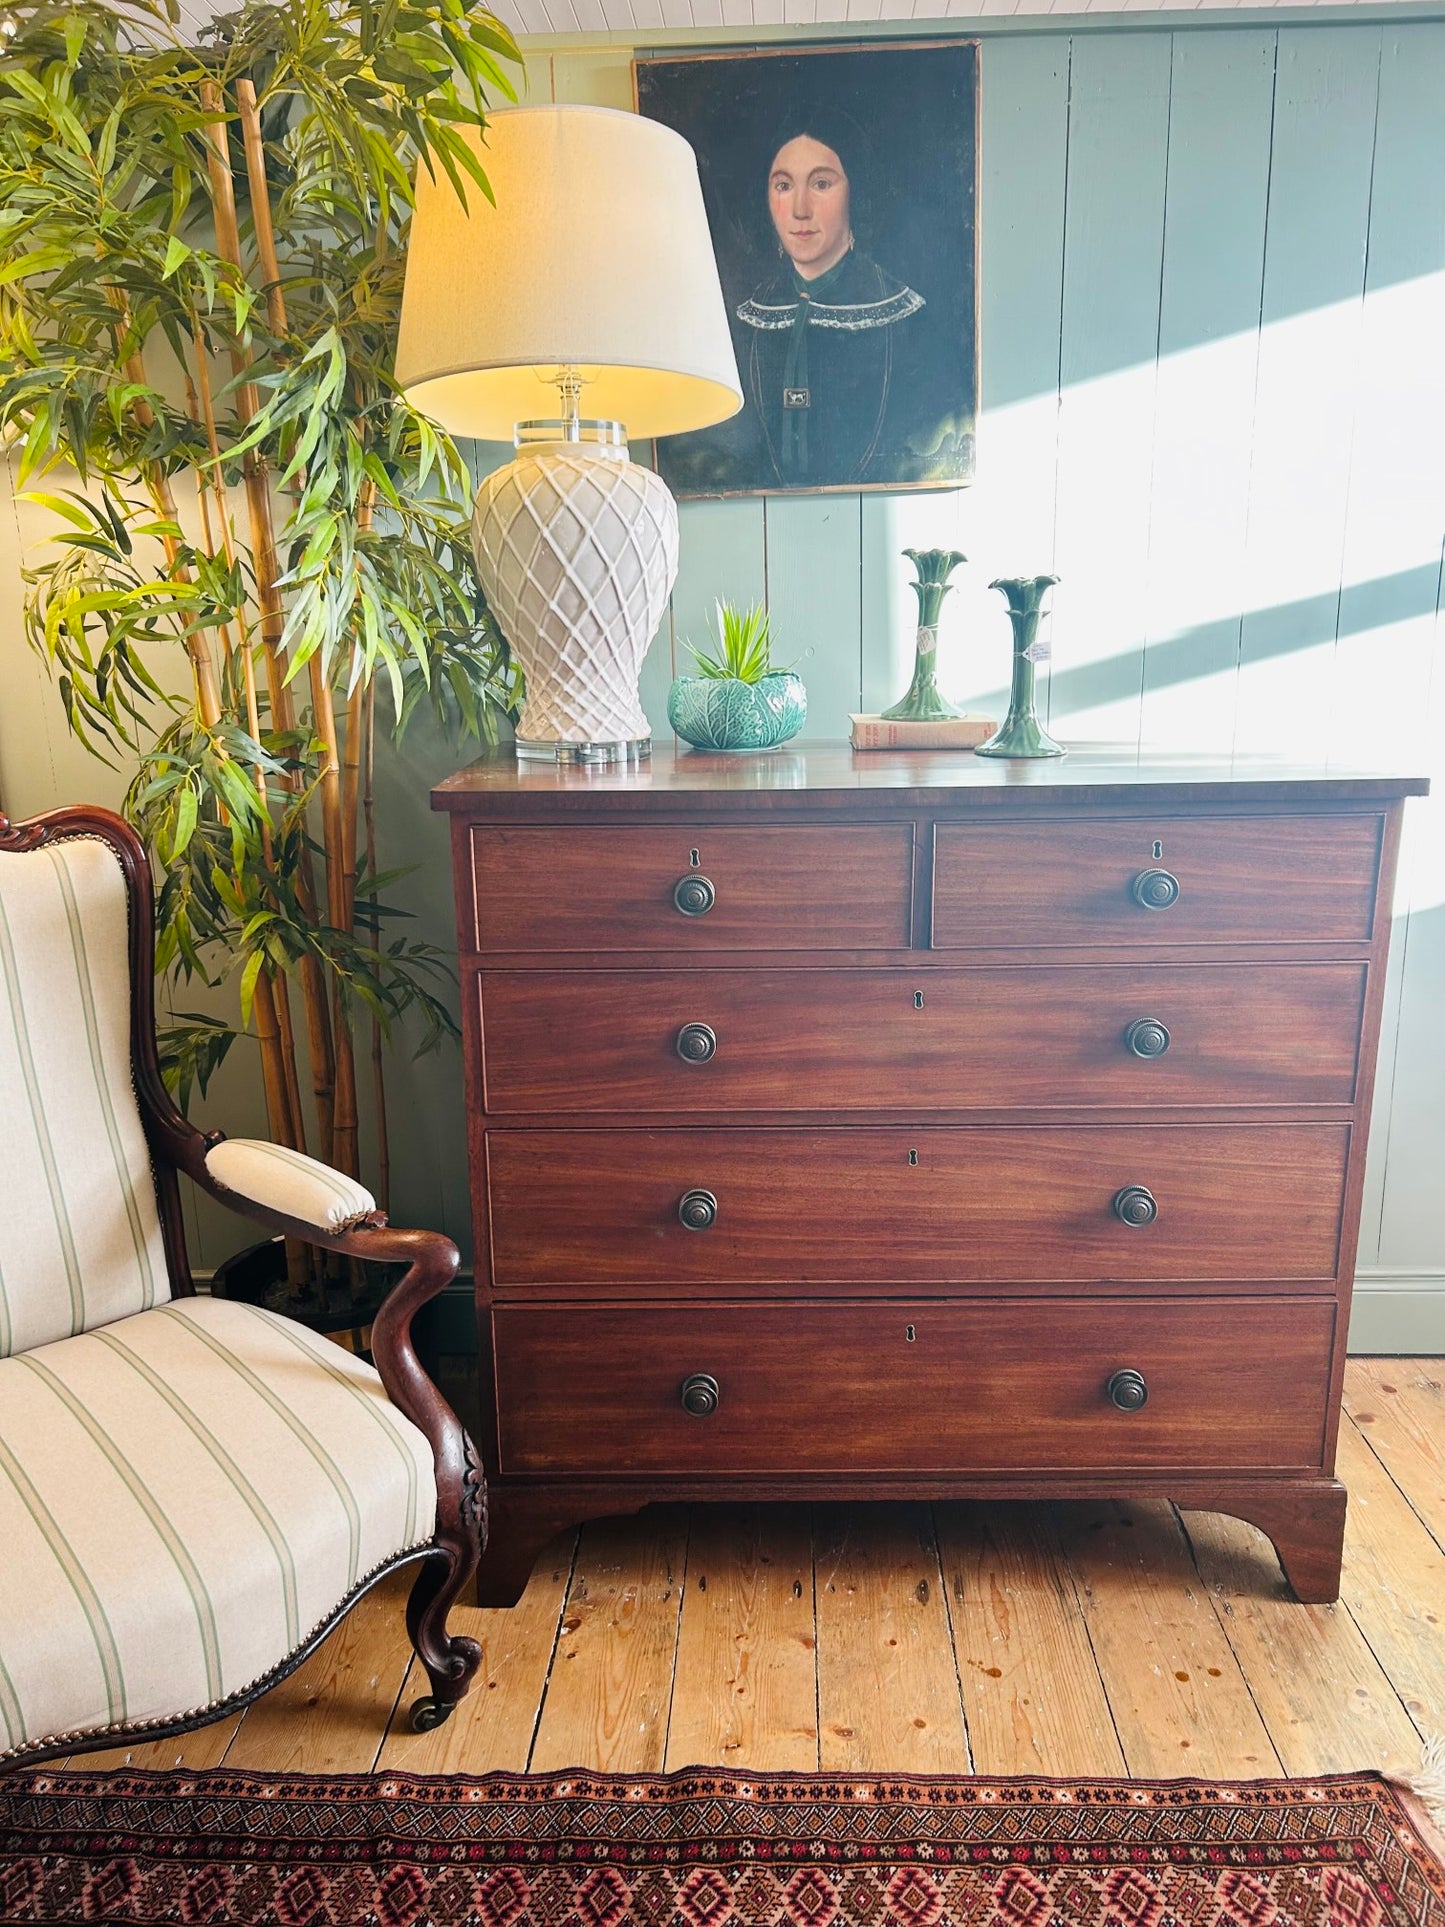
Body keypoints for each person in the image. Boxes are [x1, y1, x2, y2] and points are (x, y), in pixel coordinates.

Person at [734, 114, 928, 488]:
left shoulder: (905, 317)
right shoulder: (746, 319)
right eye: (784, 185)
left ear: (855, 191)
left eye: (821, 183)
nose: (800, 209)